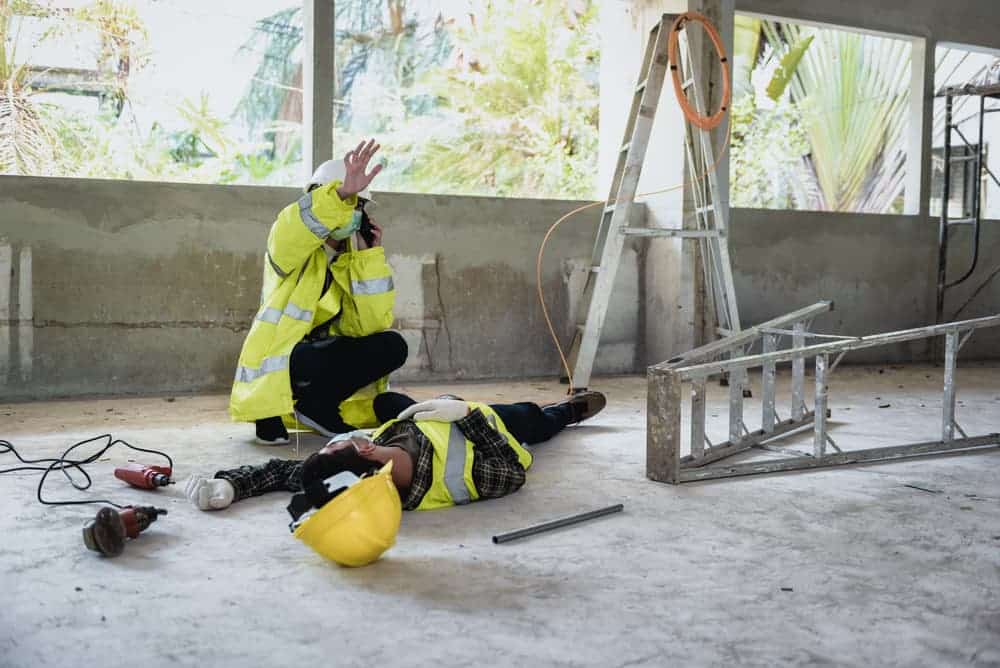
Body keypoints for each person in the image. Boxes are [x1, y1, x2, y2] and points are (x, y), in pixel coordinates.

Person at [230, 139, 408, 445]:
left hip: (321, 354)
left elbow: (369, 326)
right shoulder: (287, 244)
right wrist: (340, 195)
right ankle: (267, 412)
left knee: (392, 345)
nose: (352, 210)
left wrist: (368, 258)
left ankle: (318, 405)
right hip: (286, 356)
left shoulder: (351, 257)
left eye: (358, 206)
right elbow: (298, 224)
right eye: (348, 202)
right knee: (305, 358)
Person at [187, 390, 607, 512]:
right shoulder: (457, 479)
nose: (336, 442)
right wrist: (464, 414)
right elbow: (514, 471)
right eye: (340, 443)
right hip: (486, 428)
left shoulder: (354, 477)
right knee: (530, 418)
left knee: (387, 403)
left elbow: (281, 472)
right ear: (366, 449)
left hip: (419, 419)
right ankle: (567, 411)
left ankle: (428, 403)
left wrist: (230, 486)